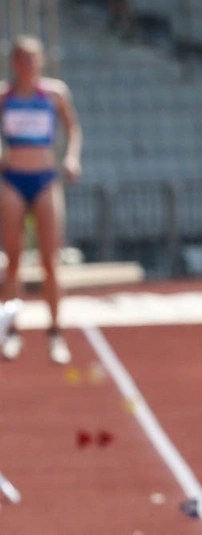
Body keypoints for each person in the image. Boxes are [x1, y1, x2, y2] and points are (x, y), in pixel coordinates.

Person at [0, 36, 82, 365]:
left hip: (45, 180)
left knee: (50, 260)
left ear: (41, 61)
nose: (28, 64)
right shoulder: (4, 96)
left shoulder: (55, 93)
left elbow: (73, 129)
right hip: (12, 181)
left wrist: (72, 158)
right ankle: (12, 331)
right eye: (22, 58)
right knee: (13, 261)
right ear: (14, 62)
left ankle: (55, 333)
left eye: (33, 58)